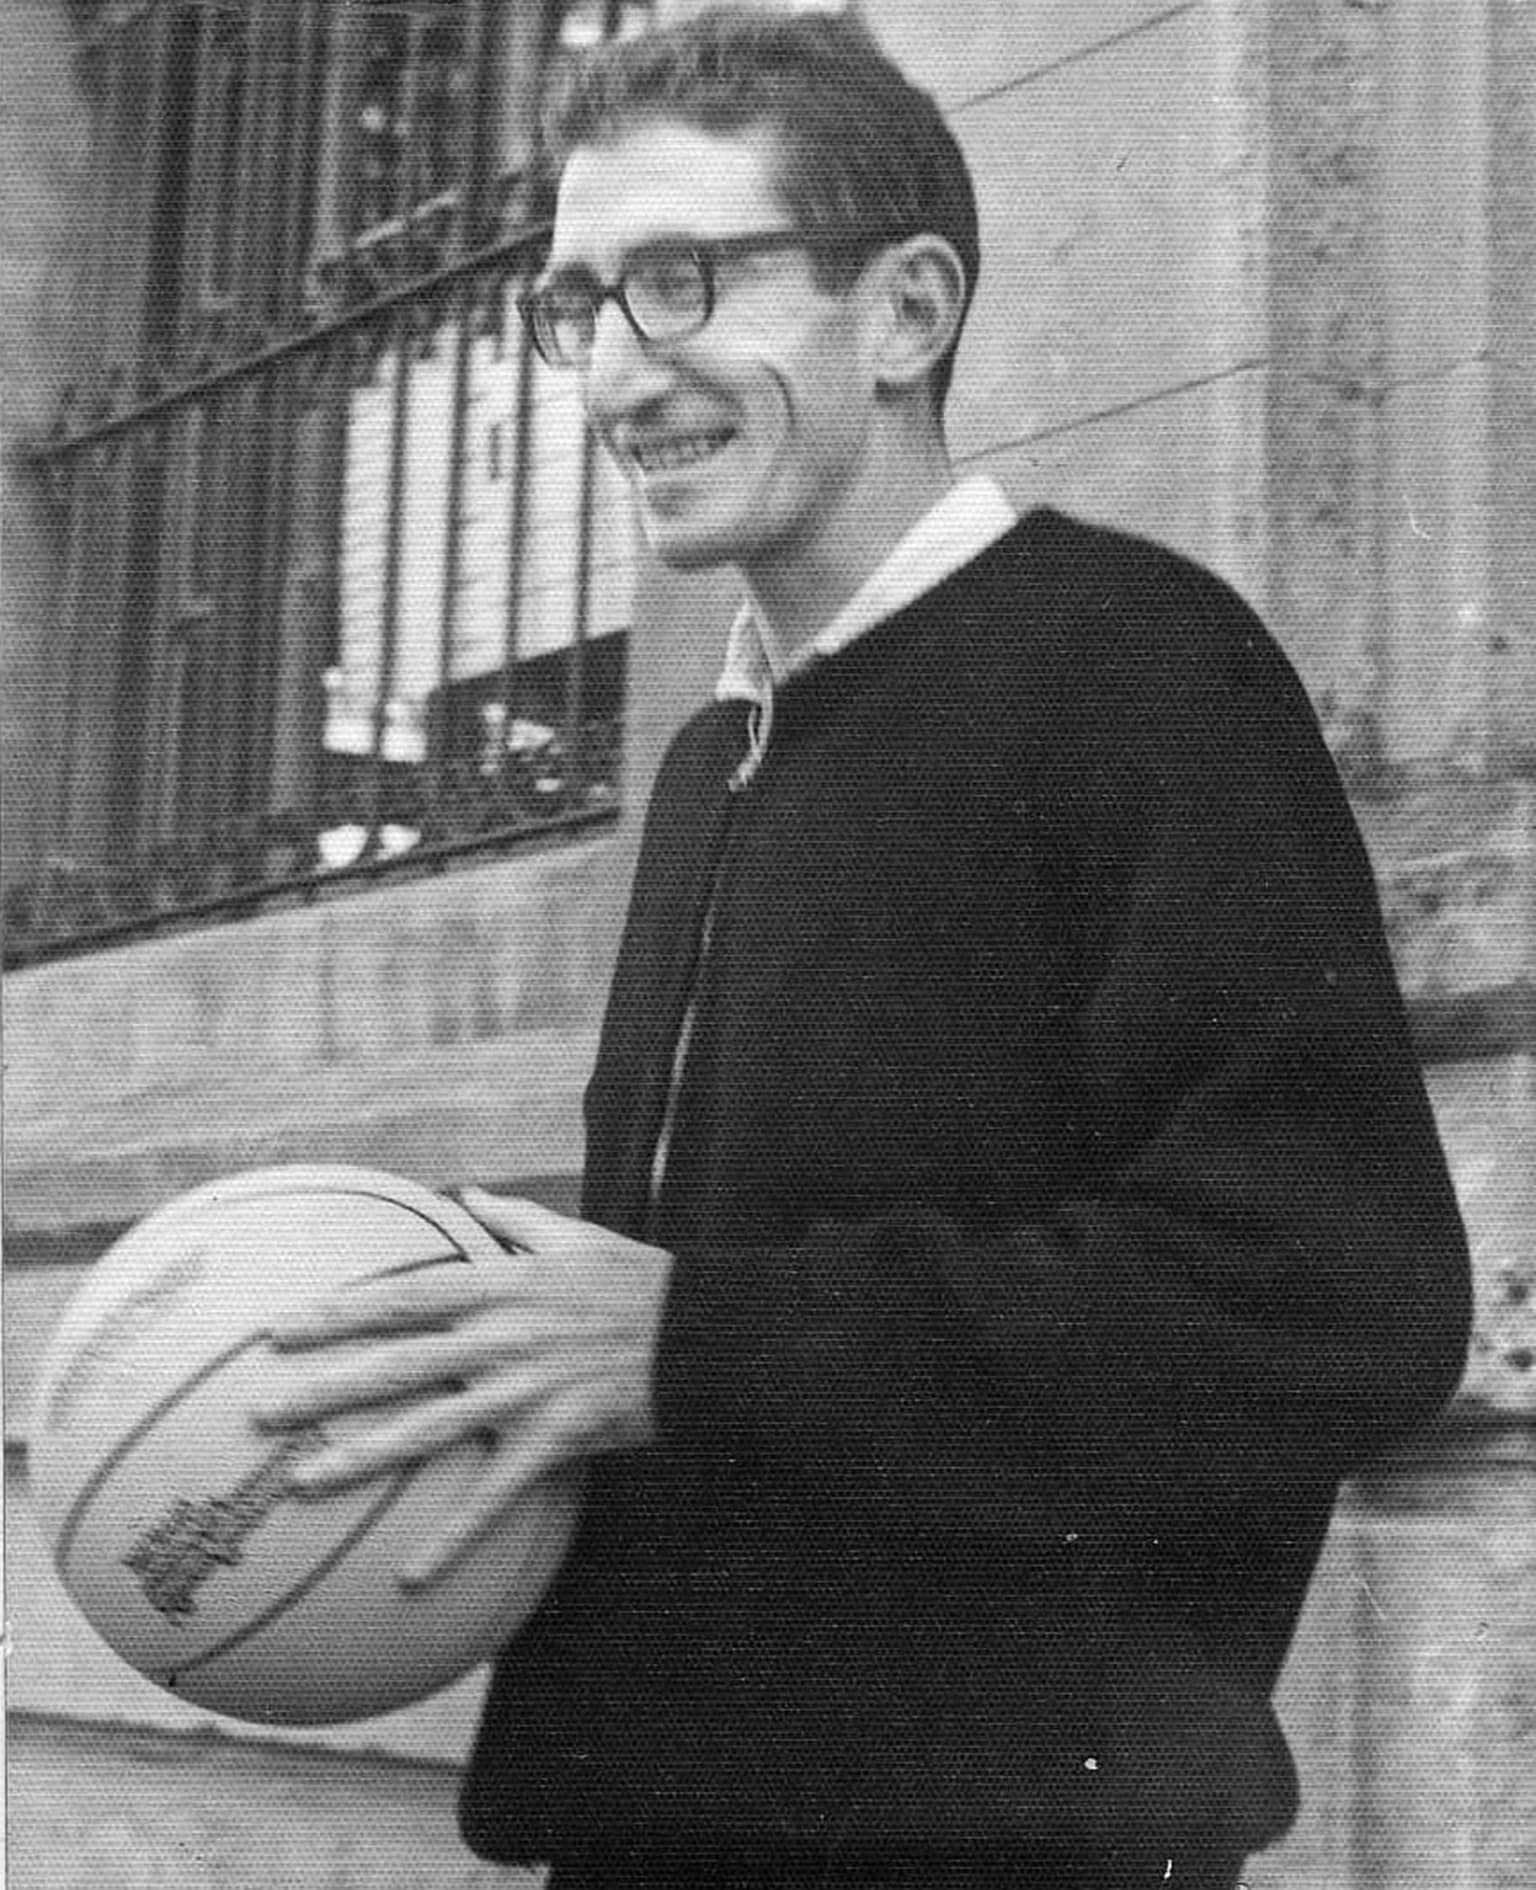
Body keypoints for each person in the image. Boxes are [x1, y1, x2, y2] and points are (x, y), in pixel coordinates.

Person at [262, 10, 1472, 1886]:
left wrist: (696, 1340)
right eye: (578, 303)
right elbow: (681, 1368)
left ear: (905, 311)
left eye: (681, 279)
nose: (615, 372)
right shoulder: (708, 765)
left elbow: (1334, 1301)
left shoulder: (1136, 666)